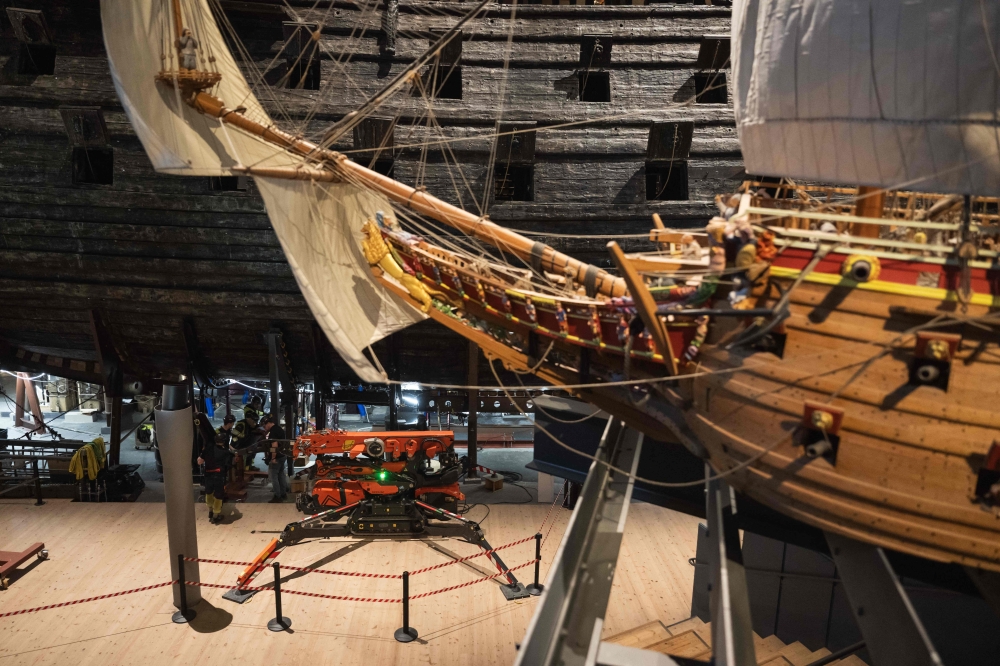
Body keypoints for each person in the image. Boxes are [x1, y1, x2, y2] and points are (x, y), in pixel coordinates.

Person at [198, 433, 234, 524]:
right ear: (224, 441)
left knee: (209, 492)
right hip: (219, 475)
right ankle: (215, 516)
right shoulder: (226, 452)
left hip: (208, 474)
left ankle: (210, 511)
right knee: (218, 495)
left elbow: (199, 461)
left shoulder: (208, 449)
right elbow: (228, 465)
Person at [261, 415, 289, 503]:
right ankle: (283, 494)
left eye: (264, 426)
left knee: (274, 476)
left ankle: (277, 496)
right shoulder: (279, 429)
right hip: (283, 455)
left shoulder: (273, 431)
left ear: (268, 423)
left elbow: (274, 446)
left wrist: (273, 458)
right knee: (281, 475)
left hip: (277, 457)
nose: (264, 428)